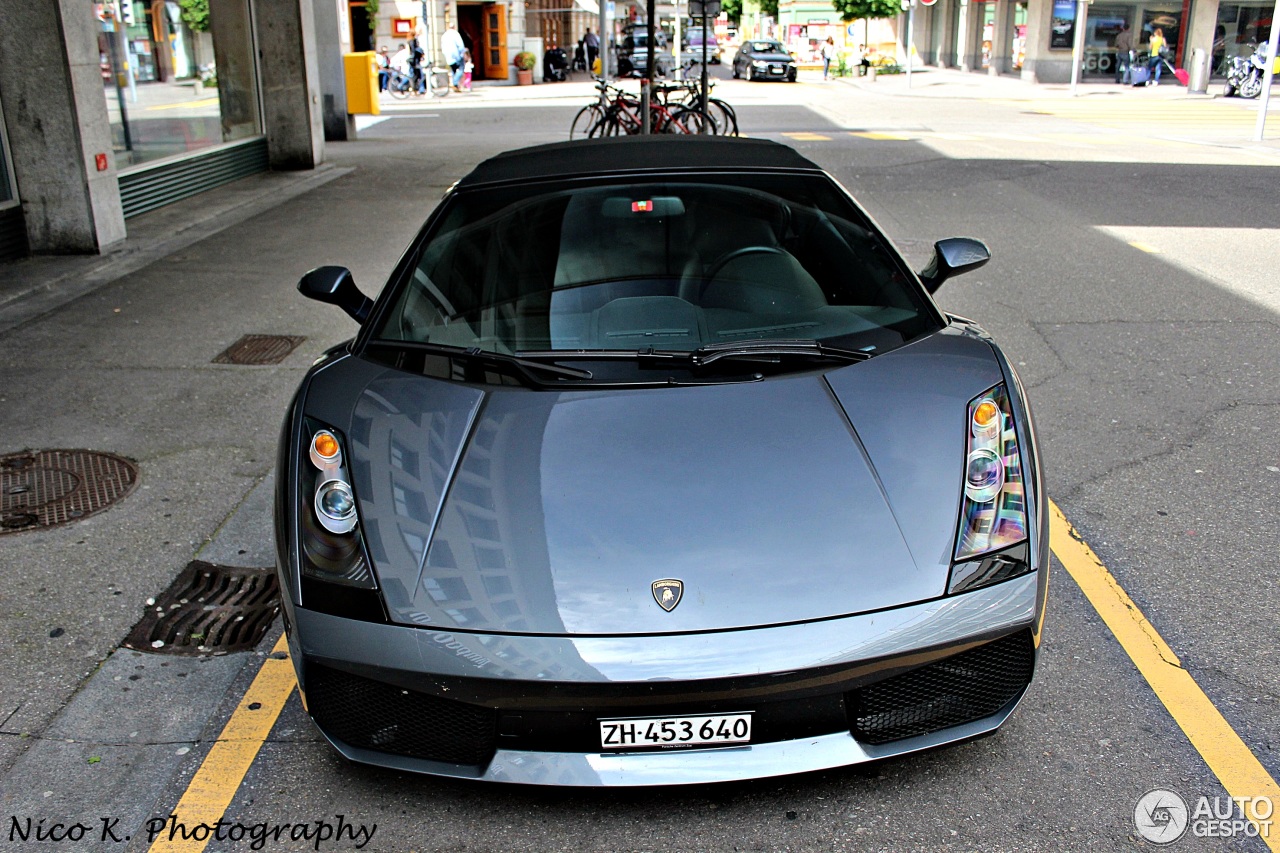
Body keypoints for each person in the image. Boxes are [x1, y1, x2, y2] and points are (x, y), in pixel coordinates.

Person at [442, 24, 467, 91]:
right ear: (454, 27)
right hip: (456, 55)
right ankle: (454, 83)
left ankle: (455, 87)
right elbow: (460, 45)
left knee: (453, 71)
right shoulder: (455, 34)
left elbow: (443, 47)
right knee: (461, 69)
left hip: (448, 57)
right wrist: (463, 54)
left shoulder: (444, 35)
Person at [408, 30, 426, 94]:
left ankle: (417, 89)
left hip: (415, 61)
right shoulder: (412, 41)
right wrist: (421, 52)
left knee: (416, 75)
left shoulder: (412, 40)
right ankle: (419, 89)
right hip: (415, 62)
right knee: (417, 75)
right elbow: (414, 51)